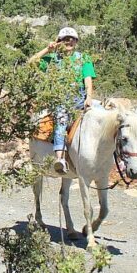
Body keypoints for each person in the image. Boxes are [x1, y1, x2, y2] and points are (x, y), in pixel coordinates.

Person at [28, 27, 96, 174]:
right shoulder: (52, 58)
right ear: (59, 41)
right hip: (61, 100)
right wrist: (47, 49)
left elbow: (87, 79)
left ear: (76, 42)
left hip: (80, 98)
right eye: (65, 39)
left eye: (72, 39)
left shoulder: (84, 58)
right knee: (61, 120)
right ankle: (60, 159)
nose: (69, 42)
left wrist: (89, 97)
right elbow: (31, 63)